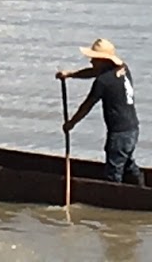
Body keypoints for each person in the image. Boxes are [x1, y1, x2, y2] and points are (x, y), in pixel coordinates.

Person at [56, 37, 142, 186]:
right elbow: (93, 72)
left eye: (94, 59)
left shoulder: (103, 82)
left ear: (103, 60)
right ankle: (141, 188)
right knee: (127, 163)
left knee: (113, 171)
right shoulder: (123, 69)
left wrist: (71, 123)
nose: (91, 61)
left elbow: (87, 105)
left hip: (119, 133)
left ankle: (115, 194)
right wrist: (70, 74)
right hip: (132, 128)